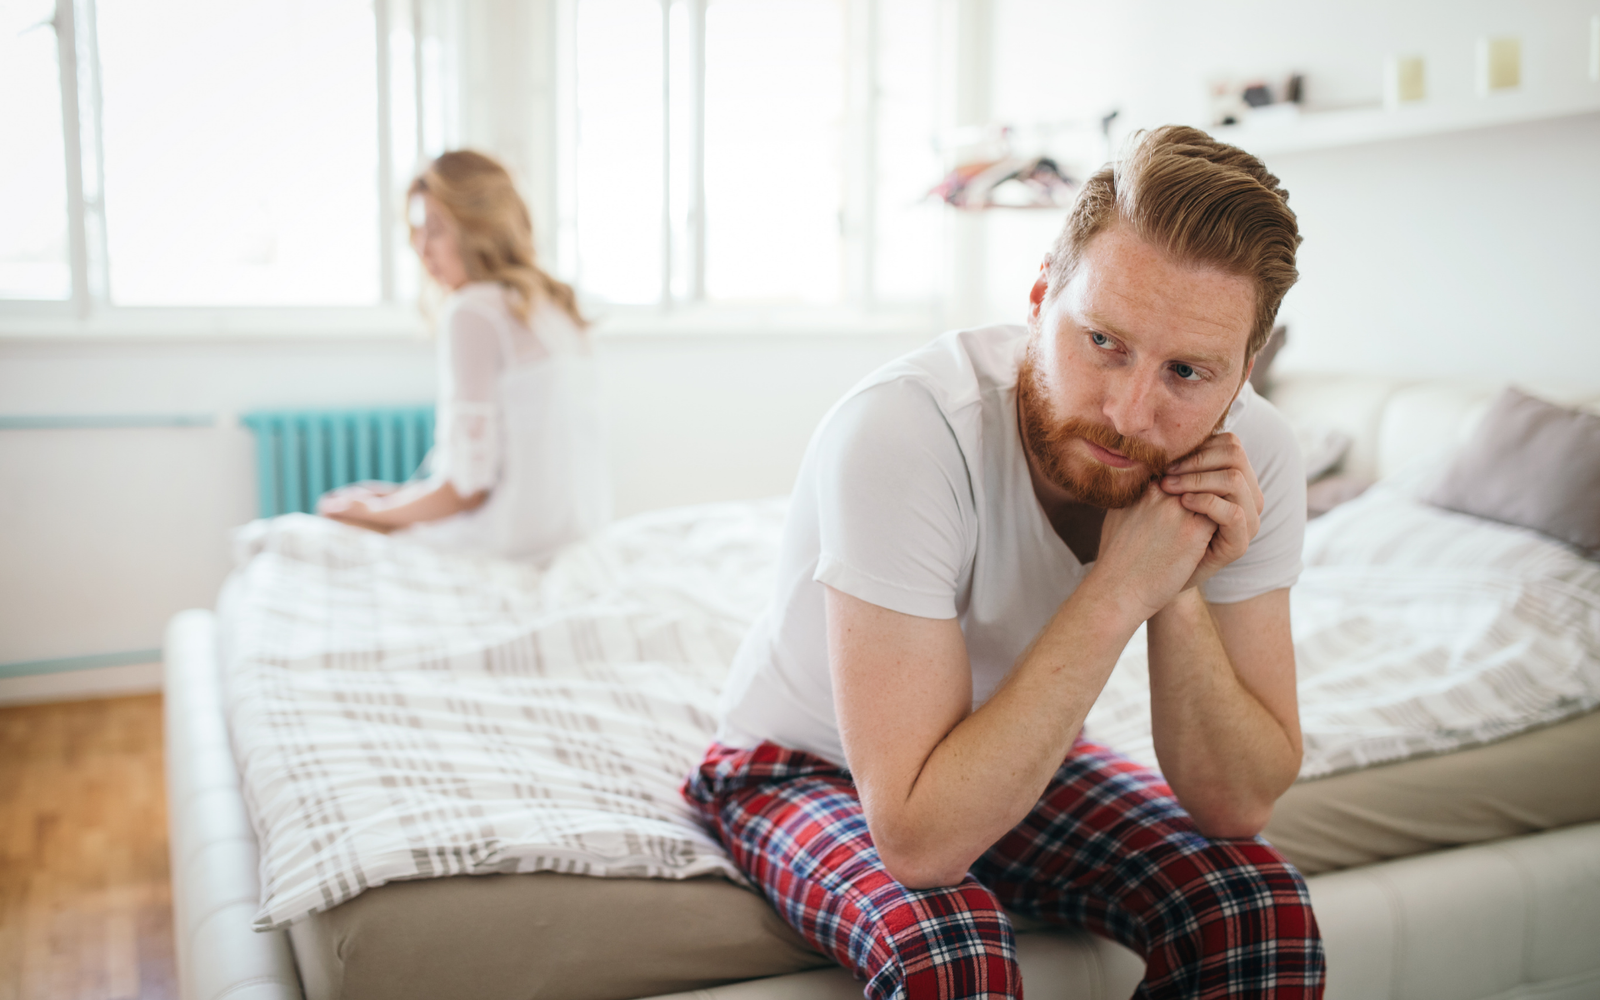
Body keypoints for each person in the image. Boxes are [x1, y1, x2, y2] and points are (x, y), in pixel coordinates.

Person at [684, 126, 1323, 999]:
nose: (1131, 414)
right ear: (1038, 298)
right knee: (954, 954)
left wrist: (1179, 585)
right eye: (1103, 341)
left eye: (1187, 372)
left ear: (1243, 374)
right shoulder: (905, 430)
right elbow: (918, 838)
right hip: (799, 764)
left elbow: (1237, 804)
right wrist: (1118, 589)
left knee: (1259, 915)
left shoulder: (1253, 456)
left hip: (1023, 752)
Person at [317, 150, 608, 560]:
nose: (421, 248)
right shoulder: (554, 304)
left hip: (514, 544)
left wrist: (378, 513)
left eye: (436, 229)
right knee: (365, 513)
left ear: (478, 228)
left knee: (337, 521)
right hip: (575, 536)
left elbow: (469, 491)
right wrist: (395, 499)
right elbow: (504, 470)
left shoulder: (474, 310)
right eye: (417, 230)